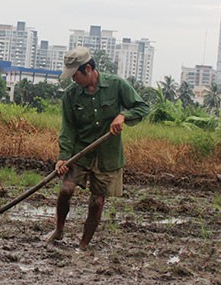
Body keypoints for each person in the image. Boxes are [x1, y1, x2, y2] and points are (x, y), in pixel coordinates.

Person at [45, 46, 149, 250]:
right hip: (80, 152)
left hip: (107, 155)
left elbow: (142, 107)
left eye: (75, 75)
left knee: (97, 202)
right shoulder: (71, 95)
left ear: (88, 69)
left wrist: (123, 116)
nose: (73, 79)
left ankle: (83, 245)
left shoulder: (116, 85)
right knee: (66, 190)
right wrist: (63, 157)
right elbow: (68, 128)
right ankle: (59, 229)